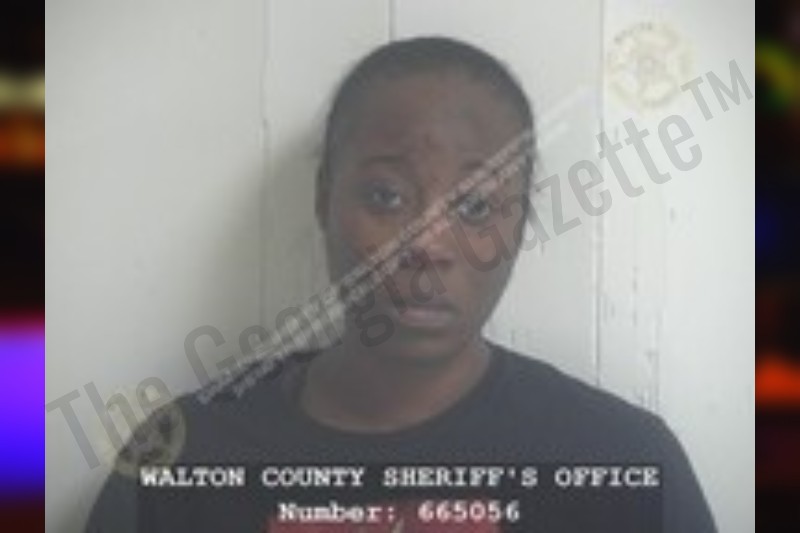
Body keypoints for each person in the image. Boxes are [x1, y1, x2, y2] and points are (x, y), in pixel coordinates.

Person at [86, 37, 717, 532]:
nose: (428, 244)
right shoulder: (185, 458)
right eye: (387, 195)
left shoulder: (623, 466)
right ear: (324, 200)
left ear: (520, 223)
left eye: (476, 206)